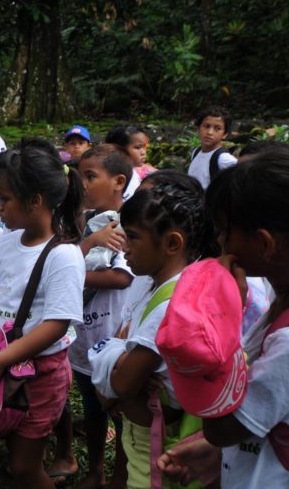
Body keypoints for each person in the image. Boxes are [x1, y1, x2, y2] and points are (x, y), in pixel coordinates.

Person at [158, 152, 289, 488]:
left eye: (224, 231)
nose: (219, 242)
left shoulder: (287, 341)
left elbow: (222, 427)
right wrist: (212, 452)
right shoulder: (279, 299)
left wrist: (223, 320)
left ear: (264, 243)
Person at [0, 147, 85, 488]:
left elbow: (56, 325)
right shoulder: (10, 240)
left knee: (25, 466)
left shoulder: (64, 256)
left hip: (39, 375)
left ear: (35, 201)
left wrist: (0, 361)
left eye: (6, 199)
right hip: (2, 361)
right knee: (11, 444)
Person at [90, 179, 212, 489]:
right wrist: (120, 368)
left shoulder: (170, 307)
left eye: (132, 237)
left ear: (172, 243)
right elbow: (122, 384)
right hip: (143, 433)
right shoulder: (153, 285)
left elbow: (117, 386)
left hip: (156, 449)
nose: (123, 246)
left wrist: (112, 368)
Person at [54, 144, 134, 489]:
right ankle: (96, 469)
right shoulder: (84, 221)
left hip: (115, 335)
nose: (82, 184)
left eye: (91, 176)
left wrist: (68, 272)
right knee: (91, 405)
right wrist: (86, 245)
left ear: (118, 181)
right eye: (80, 176)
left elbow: (122, 277)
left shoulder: (131, 222)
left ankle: (120, 474)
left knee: (121, 409)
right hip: (85, 335)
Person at [187, 106, 236, 189]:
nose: (210, 132)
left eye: (217, 128)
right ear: (198, 129)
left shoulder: (224, 158)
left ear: (225, 134)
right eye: (206, 126)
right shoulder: (196, 152)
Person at [104, 124, 143, 200]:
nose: (143, 152)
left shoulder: (134, 172)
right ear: (119, 149)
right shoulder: (109, 174)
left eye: (145, 147)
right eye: (138, 147)